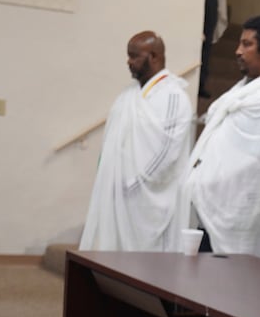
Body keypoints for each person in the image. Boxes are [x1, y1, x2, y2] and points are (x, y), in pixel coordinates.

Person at [186, 14, 260, 264]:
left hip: (244, 221)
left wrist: (211, 184)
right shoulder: (242, 92)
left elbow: (259, 167)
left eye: (247, 44)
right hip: (212, 215)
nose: (238, 51)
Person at [80, 31, 194, 252]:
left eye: (134, 56)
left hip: (151, 197)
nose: (128, 62)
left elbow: (167, 151)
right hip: (121, 192)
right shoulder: (128, 95)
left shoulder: (173, 96)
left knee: (147, 264)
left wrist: (133, 184)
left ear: (154, 56)